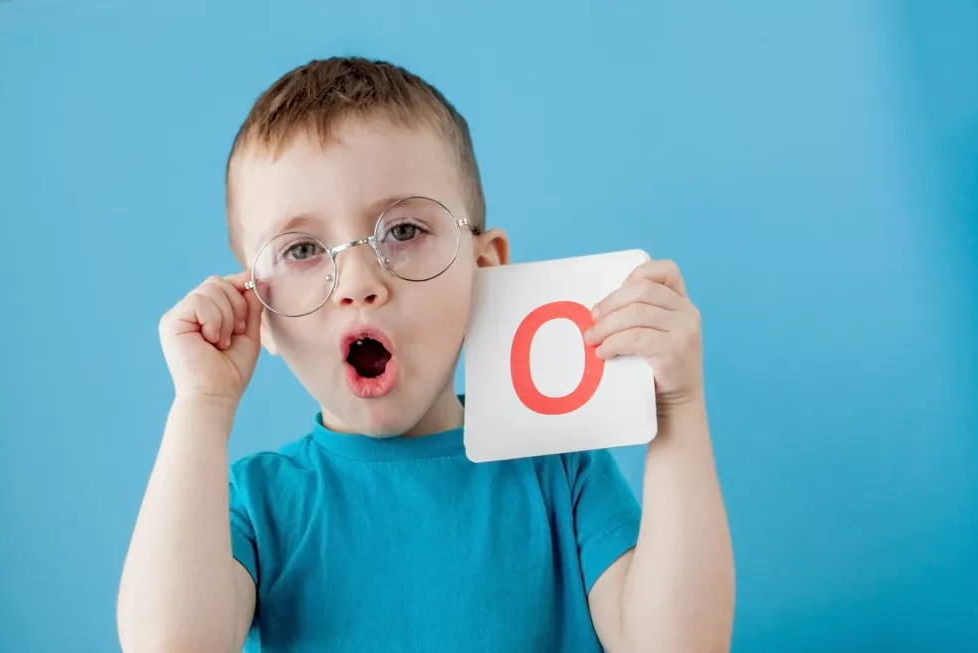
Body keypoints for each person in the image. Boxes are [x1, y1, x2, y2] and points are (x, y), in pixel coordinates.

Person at [116, 57, 735, 653]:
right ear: (261, 313)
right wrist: (202, 404)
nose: (359, 280)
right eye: (302, 250)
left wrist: (678, 408)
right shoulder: (257, 504)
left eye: (404, 232)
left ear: (483, 269)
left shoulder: (560, 469)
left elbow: (681, 644)